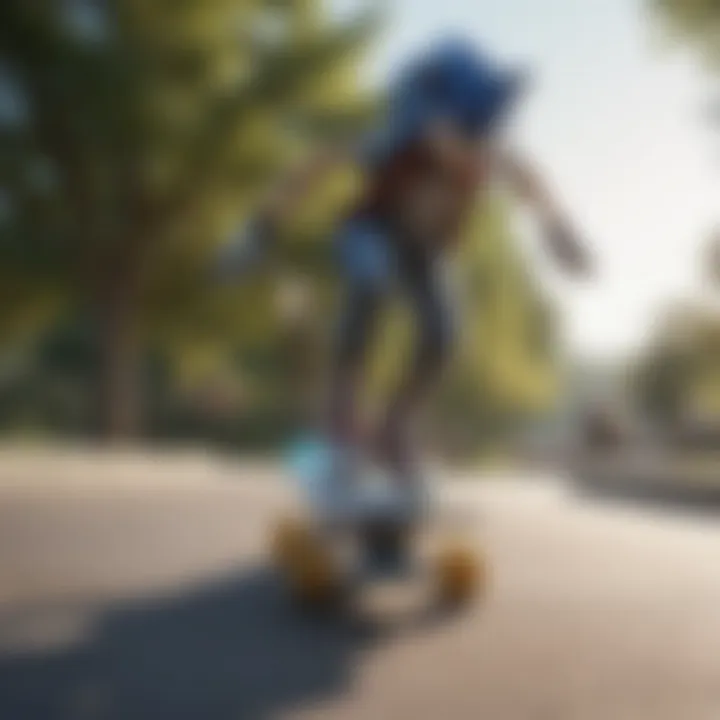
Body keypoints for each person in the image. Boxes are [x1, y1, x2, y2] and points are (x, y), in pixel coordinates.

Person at [215, 37, 592, 520]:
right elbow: (315, 163)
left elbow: (530, 181)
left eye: (473, 143)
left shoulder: (486, 148)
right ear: (428, 123)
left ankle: (393, 430)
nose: (465, 157)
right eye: (452, 140)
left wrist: (559, 233)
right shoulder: (393, 143)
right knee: (370, 282)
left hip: (426, 255)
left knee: (443, 333)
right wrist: (258, 231)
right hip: (370, 232)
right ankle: (343, 430)